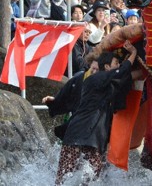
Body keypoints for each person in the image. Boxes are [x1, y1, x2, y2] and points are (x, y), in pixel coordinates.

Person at [55, 40, 138, 185]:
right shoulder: (97, 78)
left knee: (94, 176)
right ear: (107, 67)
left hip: (93, 137)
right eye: (115, 63)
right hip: (78, 132)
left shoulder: (108, 84)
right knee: (64, 175)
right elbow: (123, 71)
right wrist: (134, 53)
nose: (117, 66)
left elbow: (129, 76)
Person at [42, 53, 99, 140]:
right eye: (93, 69)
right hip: (77, 124)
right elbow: (65, 94)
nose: (94, 72)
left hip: (96, 126)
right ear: (90, 65)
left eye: (98, 70)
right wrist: (54, 100)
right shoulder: (79, 78)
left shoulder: (105, 82)